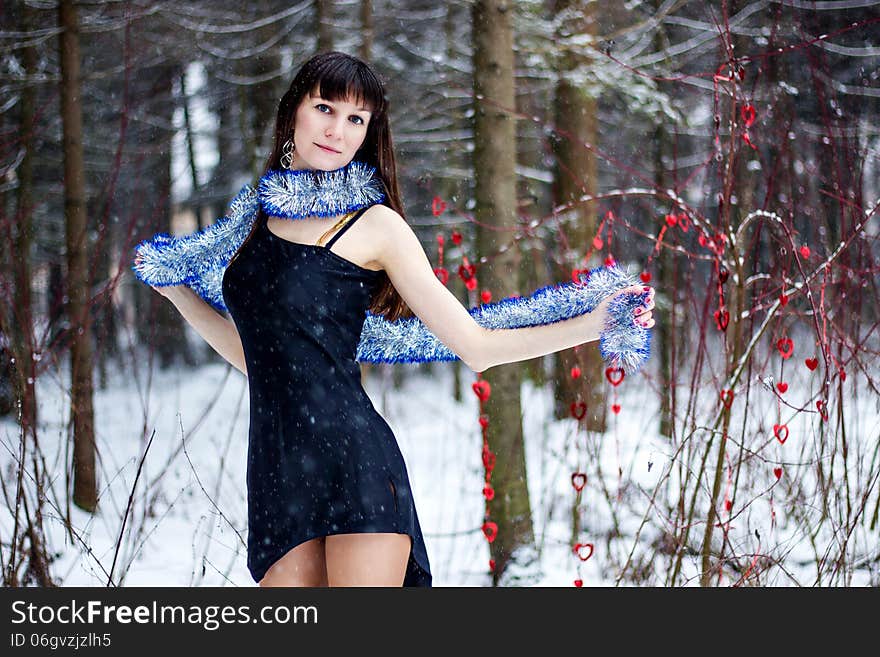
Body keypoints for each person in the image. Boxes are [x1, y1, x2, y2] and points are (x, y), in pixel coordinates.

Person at [134, 51, 655, 587]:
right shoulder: (255, 218)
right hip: (275, 473)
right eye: (325, 108)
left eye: (356, 119)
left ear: (368, 133)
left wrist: (593, 324)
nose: (337, 130)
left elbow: (475, 345)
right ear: (293, 112)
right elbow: (257, 356)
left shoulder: (376, 225)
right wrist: (178, 295)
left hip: (354, 463)